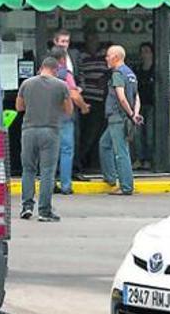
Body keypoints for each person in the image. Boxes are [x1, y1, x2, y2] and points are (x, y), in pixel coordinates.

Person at [16, 57, 72, 222]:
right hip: (51, 131)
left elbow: (19, 107)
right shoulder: (61, 85)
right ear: (55, 70)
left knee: (28, 170)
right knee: (47, 171)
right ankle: (44, 210)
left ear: (41, 68)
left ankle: (26, 207)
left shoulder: (27, 83)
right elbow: (68, 110)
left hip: (29, 130)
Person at [100, 45, 142, 195]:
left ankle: (126, 186)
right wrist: (136, 113)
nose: (106, 58)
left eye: (108, 56)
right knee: (105, 144)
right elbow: (137, 97)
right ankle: (110, 178)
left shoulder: (117, 73)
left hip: (118, 117)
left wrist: (131, 114)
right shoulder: (131, 74)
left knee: (121, 152)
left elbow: (121, 97)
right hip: (124, 117)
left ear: (116, 57)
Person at [48, 47, 90, 195]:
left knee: (50, 152)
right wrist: (84, 107)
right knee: (66, 150)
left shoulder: (43, 75)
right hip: (65, 117)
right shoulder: (66, 74)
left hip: (48, 118)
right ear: (63, 59)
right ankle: (65, 185)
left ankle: (50, 184)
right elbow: (74, 95)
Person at [78, 34, 110, 170]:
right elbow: (80, 76)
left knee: (99, 133)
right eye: (90, 39)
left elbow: (110, 71)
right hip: (88, 99)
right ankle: (81, 162)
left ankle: (95, 163)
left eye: (95, 39)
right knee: (89, 133)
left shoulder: (104, 55)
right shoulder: (82, 56)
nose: (93, 42)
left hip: (102, 99)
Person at [133, 42, 155, 170]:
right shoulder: (137, 70)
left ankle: (149, 159)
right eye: (142, 52)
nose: (144, 54)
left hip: (152, 105)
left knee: (150, 134)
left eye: (147, 51)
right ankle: (139, 159)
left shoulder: (156, 69)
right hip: (139, 105)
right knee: (138, 134)